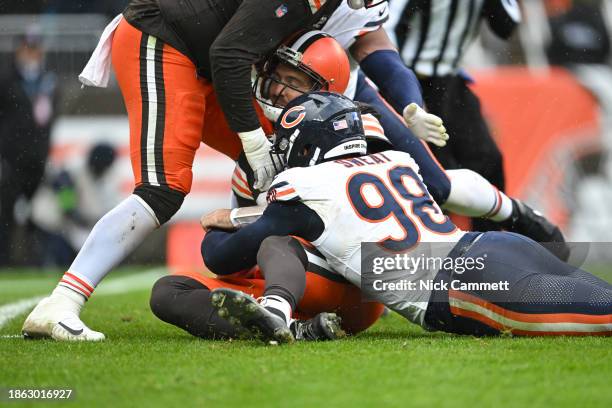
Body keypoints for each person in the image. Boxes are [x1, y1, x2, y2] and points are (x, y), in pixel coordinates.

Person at [23, 0, 369, 341]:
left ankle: (290, 284)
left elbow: (375, 62)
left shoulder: (338, 8)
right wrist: (253, 144)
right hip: (165, 40)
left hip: (209, 61)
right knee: (162, 189)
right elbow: (229, 54)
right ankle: (63, 301)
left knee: (284, 149)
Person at [202, 92, 611, 343]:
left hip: (464, 283)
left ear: (307, 144)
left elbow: (222, 258)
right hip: (494, 247)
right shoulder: (396, 159)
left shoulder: (300, 186)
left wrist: (231, 219)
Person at [384, 0, 522, 232]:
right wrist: (402, 90)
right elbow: (387, 27)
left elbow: (505, 26)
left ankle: (492, 247)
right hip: (409, 81)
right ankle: (428, 248)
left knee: (486, 161)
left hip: (451, 83)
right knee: (431, 171)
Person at [0, 32, 58, 266]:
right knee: (6, 211)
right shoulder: (6, 79)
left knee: (38, 213)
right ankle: (5, 260)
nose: (32, 54)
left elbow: (49, 121)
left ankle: (33, 260)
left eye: (35, 49)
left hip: (38, 158)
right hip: (11, 158)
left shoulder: (47, 81)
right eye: (28, 49)